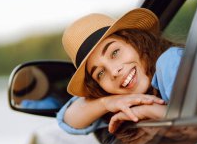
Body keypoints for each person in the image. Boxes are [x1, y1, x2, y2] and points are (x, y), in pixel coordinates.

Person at [57, 8, 185, 135]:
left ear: (135, 40)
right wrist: (107, 103)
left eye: (115, 52)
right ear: (100, 87)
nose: (113, 71)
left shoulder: (170, 60)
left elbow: (190, 121)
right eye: (100, 74)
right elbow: (69, 120)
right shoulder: (122, 103)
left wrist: (149, 110)